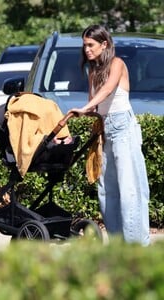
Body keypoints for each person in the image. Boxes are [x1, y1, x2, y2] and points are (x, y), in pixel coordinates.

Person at [69, 24, 150, 246]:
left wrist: (86, 108)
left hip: (123, 128)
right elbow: (94, 103)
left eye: (90, 45)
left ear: (104, 44)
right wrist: (83, 114)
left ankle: (135, 247)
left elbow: (107, 91)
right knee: (107, 190)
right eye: (84, 45)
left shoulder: (117, 64)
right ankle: (117, 244)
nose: (86, 49)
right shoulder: (93, 71)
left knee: (130, 189)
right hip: (106, 129)